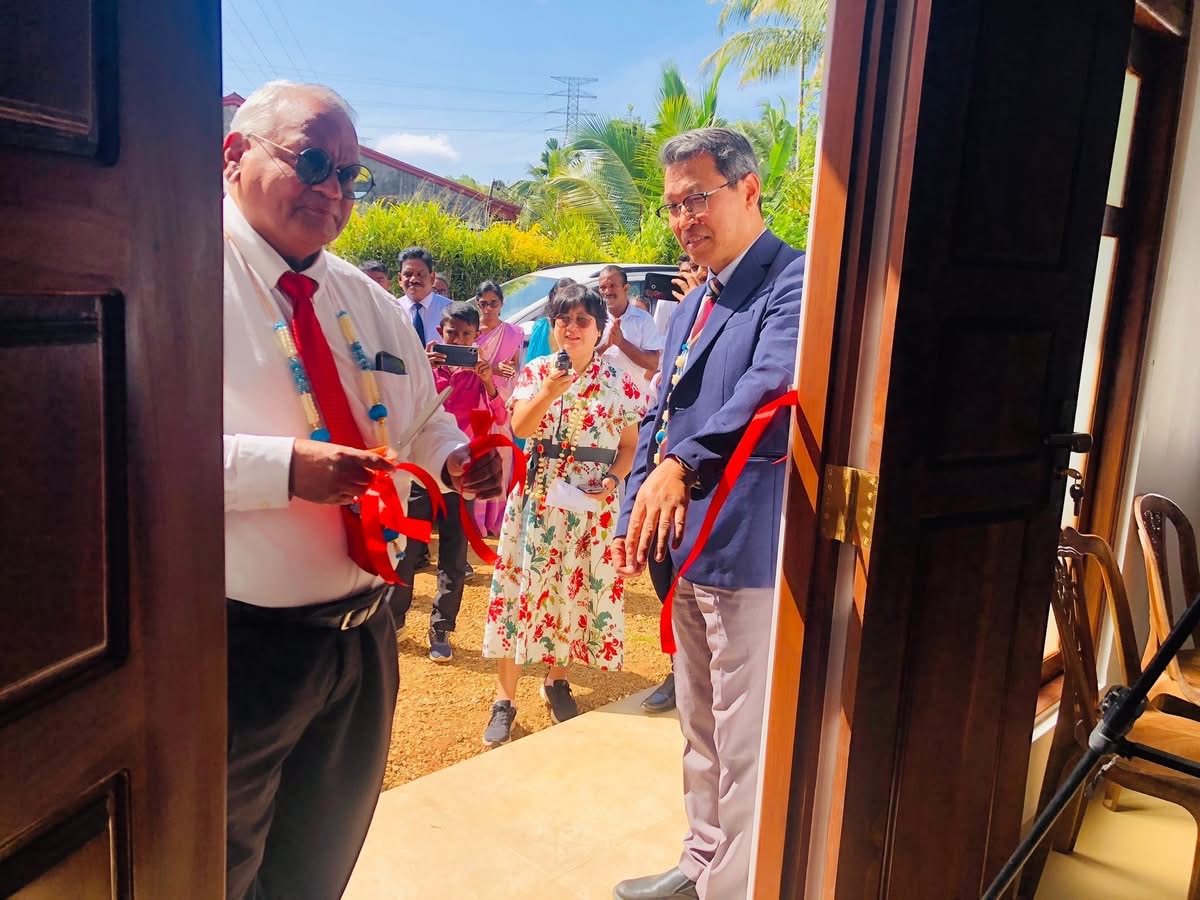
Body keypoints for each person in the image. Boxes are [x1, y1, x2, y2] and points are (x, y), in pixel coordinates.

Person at [221, 80, 502, 900]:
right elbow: (125, 450)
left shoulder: (366, 300)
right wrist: (282, 469)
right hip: (237, 646)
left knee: (317, 864)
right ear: (234, 155)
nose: (333, 189)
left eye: (349, 175)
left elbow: (422, 420)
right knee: (211, 866)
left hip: (364, 637)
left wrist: (456, 461)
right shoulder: (169, 272)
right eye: (312, 162)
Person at [613, 127, 805, 900]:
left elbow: (767, 386)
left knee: (741, 731)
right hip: (682, 544)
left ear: (748, 188)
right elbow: (659, 408)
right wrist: (632, 508)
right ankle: (700, 862)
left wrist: (682, 467)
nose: (684, 219)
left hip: (744, 541)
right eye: (673, 206)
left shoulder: (793, 280)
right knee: (697, 719)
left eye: (698, 198)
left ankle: (733, 885)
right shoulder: (696, 300)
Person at [480, 283, 646, 747]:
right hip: (537, 498)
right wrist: (550, 391)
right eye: (563, 320)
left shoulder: (619, 382)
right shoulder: (537, 371)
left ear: (598, 328)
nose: (571, 328)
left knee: (571, 590)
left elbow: (629, 446)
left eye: (582, 321)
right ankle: (504, 698)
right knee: (520, 591)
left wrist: (611, 481)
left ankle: (556, 679)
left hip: (588, 506)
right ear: (553, 326)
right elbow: (520, 427)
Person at [390, 301, 506, 661]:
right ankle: (396, 618)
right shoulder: (423, 372)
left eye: (466, 335)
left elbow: (501, 416)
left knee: (454, 555)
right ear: (440, 333)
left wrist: (488, 381)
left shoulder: (480, 375)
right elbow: (406, 411)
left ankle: (441, 628)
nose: (457, 340)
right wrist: (423, 370)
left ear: (476, 338)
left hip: (461, 475)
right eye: (451, 333)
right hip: (421, 472)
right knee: (407, 551)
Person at [394, 246, 452, 571]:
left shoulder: (448, 310)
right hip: (405, 400)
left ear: (432, 277)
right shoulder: (390, 310)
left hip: (445, 401)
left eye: (420, 274)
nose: (413, 280)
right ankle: (414, 551)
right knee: (409, 477)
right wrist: (417, 362)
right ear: (399, 278)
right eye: (408, 274)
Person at [472, 279, 524, 536]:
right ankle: (476, 519)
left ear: (502, 304)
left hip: (501, 400)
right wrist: (491, 369)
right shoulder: (471, 333)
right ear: (477, 304)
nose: (488, 309)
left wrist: (505, 373)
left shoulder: (513, 333)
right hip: (475, 400)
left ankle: (496, 519)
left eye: (493, 303)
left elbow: (514, 367)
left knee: (502, 456)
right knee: (479, 456)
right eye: (484, 303)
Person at [596, 264, 665, 397]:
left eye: (612, 286)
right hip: (600, 399)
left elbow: (652, 364)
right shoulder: (594, 318)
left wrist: (622, 343)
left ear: (626, 288)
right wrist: (606, 345)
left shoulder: (643, 319)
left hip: (634, 399)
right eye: (602, 287)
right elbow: (583, 359)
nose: (607, 292)